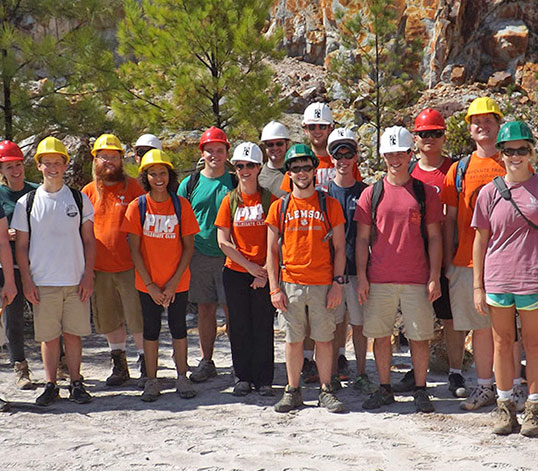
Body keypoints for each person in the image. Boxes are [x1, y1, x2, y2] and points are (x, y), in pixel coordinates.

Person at [355, 126, 443, 413]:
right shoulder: (372, 193)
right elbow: (363, 238)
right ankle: (384, 388)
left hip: (417, 277)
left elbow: (434, 237)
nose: (395, 159)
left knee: (420, 336)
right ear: (383, 156)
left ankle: (420, 389)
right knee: (381, 335)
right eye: (389, 153)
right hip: (380, 277)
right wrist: (362, 277)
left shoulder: (425, 192)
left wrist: (434, 277)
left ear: (410, 154)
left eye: (400, 153)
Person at [12, 136, 95, 406]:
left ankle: (76, 383)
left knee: (73, 335)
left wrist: (88, 275)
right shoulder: (27, 202)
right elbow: (22, 246)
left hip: (75, 280)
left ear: (64, 165)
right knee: (49, 338)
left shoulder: (78, 199)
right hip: (43, 281)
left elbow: (89, 241)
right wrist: (26, 280)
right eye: (47, 163)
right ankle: (50, 385)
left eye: (57, 162)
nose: (53, 168)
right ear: (39, 166)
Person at [393, 108, 469, 398]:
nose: (430, 139)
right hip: (414, 257)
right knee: (418, 315)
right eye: (424, 134)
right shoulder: (407, 172)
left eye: (435, 133)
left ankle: (455, 371)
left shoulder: (454, 170)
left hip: (448, 254)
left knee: (450, 318)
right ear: (415, 138)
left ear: (443, 135)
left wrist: (452, 257)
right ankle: (418, 370)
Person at [266, 143, 346, 413]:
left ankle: (326, 389)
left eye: (306, 167)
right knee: (293, 339)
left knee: (324, 339)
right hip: (291, 284)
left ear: (315, 169)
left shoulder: (329, 204)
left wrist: (337, 283)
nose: (301, 172)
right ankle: (293, 389)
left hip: (323, 283)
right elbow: (271, 252)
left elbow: (340, 249)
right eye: (295, 168)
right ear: (288, 172)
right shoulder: (280, 206)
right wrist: (274, 288)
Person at [441, 97, 509, 411]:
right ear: (469, 129)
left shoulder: (512, 162)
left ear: (499, 125)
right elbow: (450, 220)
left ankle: (512, 387)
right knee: (481, 329)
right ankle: (485, 387)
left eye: (488, 121)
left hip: (509, 262)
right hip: (468, 262)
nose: (482, 126)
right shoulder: (460, 169)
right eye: (476, 121)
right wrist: (448, 263)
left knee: (510, 329)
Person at [472, 120, 538, 437]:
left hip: (532, 279)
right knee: (501, 344)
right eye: (509, 150)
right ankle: (505, 408)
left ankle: (533, 410)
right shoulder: (489, 193)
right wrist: (477, 285)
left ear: (531, 152)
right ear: (501, 153)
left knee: (533, 344)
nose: (516, 155)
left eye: (522, 149)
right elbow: (480, 241)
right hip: (498, 280)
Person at [122, 149, 200, 402]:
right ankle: (152, 380)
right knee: (151, 330)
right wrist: (151, 285)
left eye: (163, 173)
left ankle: (181, 376)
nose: (158, 178)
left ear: (170, 175)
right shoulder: (138, 207)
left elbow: (188, 247)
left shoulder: (181, 205)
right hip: (149, 285)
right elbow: (134, 250)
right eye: (153, 174)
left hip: (177, 282)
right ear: (145, 176)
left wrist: (174, 282)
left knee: (179, 329)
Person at [82, 134, 146, 387]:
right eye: (103, 156)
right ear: (95, 159)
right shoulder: (88, 192)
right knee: (109, 319)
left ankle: (145, 362)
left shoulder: (133, 188)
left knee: (137, 318)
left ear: (122, 159)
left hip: (132, 267)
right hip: (100, 269)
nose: (109, 161)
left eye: (114, 156)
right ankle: (119, 364)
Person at [215, 142, 275, 397]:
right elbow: (223, 241)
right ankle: (242, 376)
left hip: (263, 273)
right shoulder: (230, 200)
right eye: (240, 165)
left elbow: (276, 240)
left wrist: (264, 273)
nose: (245, 170)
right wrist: (250, 267)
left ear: (259, 167)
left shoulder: (269, 199)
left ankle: (264, 380)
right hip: (238, 272)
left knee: (263, 326)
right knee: (239, 326)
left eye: (250, 165)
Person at [177, 127, 235, 383]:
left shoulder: (235, 181)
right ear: (202, 152)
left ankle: (239, 361)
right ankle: (207, 360)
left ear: (226, 152)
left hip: (231, 254)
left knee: (234, 309)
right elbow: (177, 218)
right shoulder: (189, 184)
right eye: (210, 150)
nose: (215, 155)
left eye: (219, 150)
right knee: (205, 309)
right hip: (199, 254)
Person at [325, 128, 375, 393]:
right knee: (333, 326)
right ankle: (331, 373)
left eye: (348, 153)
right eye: (337, 154)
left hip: (357, 271)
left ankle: (361, 373)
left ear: (356, 157)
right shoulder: (323, 194)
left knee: (358, 324)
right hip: (330, 273)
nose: (343, 160)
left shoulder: (366, 193)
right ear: (331, 157)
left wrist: (366, 274)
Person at [0, 140, 38, 389]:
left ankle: (60, 362)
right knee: (12, 318)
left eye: (18, 165)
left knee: (47, 314)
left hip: (38, 263)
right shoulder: (0, 195)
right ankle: (20, 366)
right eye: (9, 167)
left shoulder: (37, 191)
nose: (15, 171)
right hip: (8, 266)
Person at [258, 121, 290, 198]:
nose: (275, 148)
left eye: (279, 143)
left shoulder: (296, 173)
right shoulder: (256, 175)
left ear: (287, 144)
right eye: (270, 144)